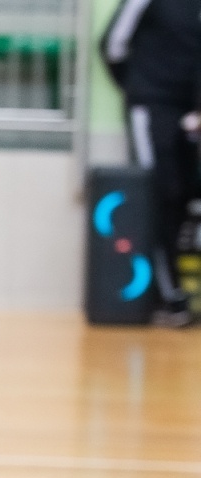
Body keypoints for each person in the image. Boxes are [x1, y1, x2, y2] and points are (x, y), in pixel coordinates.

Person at [101, 0, 201, 327]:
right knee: (159, 194)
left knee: (183, 197)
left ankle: (171, 292)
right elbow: (112, 45)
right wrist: (140, 89)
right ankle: (167, 294)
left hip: (190, 115)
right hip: (151, 106)